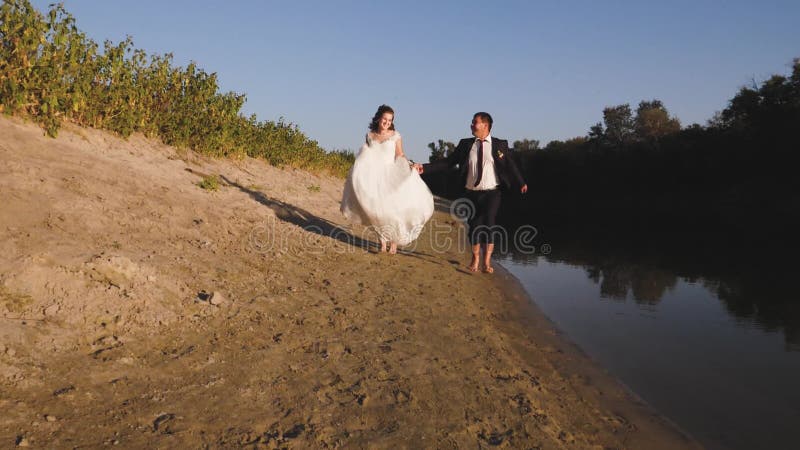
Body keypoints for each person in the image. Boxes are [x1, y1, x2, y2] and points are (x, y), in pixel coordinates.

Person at [414, 112, 527, 273]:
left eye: (475, 122)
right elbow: (448, 162)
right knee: (474, 227)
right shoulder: (466, 144)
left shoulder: (500, 144)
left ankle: (487, 263)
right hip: (472, 193)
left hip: (492, 192)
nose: (471, 125)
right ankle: (475, 259)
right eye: (472, 122)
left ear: (485, 126)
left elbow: (510, 165)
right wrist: (424, 168)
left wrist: (521, 182)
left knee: (489, 222)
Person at [341, 105, 434, 254]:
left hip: (391, 175)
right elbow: (366, 156)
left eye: (390, 120)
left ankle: (394, 242)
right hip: (374, 176)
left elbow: (400, 155)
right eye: (385, 119)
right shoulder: (370, 135)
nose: (386, 122)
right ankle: (382, 242)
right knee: (376, 210)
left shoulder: (395, 135)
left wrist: (410, 165)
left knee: (390, 210)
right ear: (378, 118)